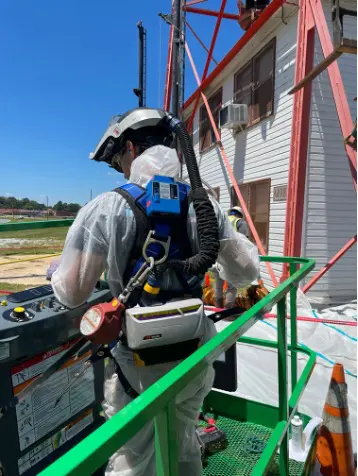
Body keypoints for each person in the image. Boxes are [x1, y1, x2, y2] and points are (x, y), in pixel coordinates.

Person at [49, 108, 260, 476]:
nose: (122, 170)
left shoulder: (106, 208)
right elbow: (246, 272)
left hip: (139, 366)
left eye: (119, 162)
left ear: (129, 148)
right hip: (194, 356)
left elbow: (70, 293)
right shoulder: (203, 204)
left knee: (133, 458)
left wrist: (56, 272)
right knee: (183, 440)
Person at [212, 206, 249, 308]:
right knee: (231, 286)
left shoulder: (222, 221)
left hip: (218, 257)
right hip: (231, 259)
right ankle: (227, 311)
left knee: (218, 284)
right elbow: (244, 242)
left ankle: (218, 309)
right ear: (239, 214)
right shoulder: (240, 222)